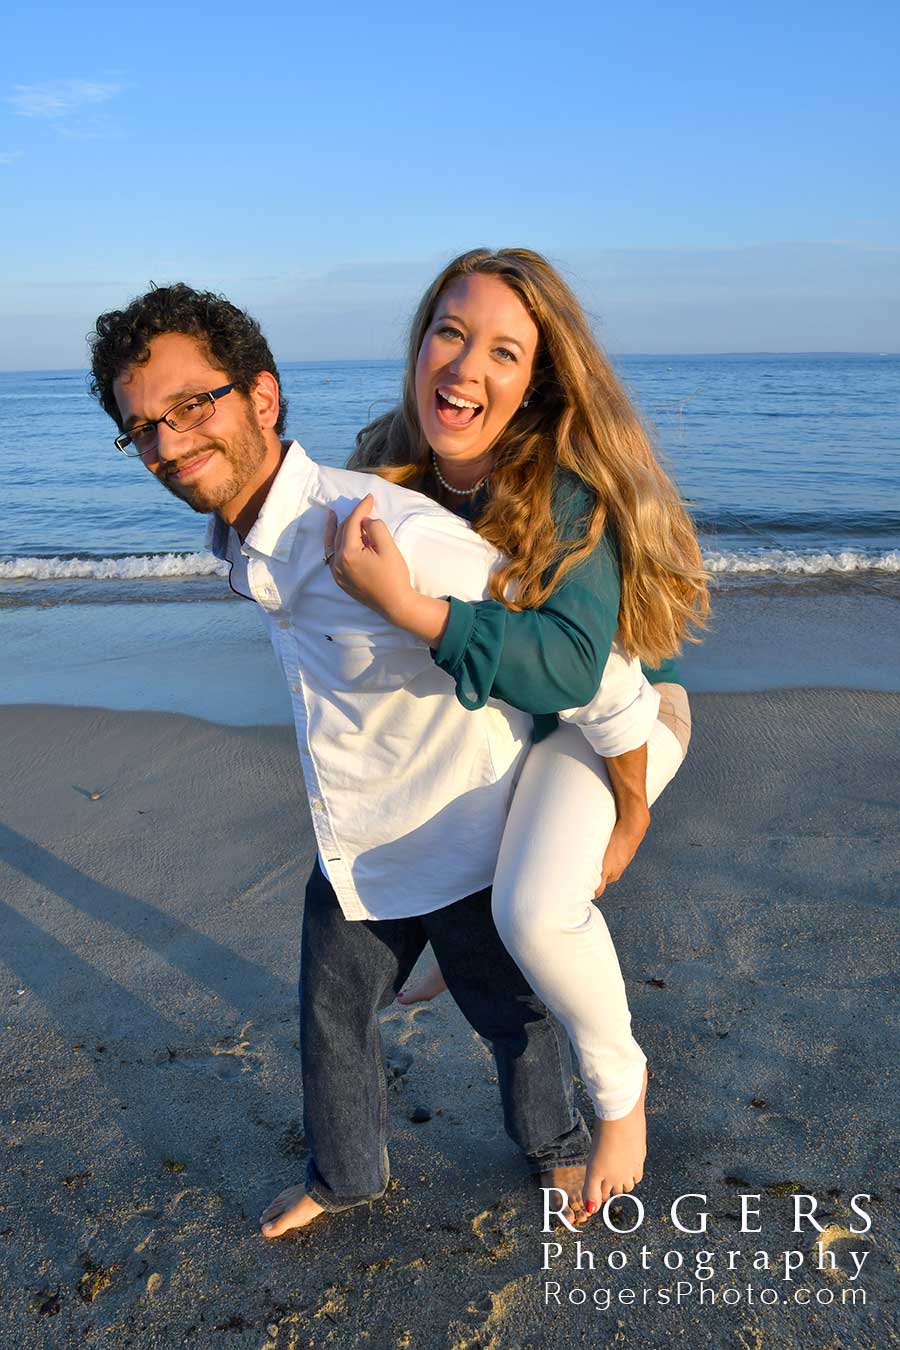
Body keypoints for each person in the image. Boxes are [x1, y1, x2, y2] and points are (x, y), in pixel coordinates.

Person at [87, 283, 664, 1238]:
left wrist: (632, 800)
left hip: (465, 830)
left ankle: (560, 1146)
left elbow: (591, 675)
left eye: (193, 406)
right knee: (329, 1013)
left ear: (262, 399)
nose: (169, 442)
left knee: (510, 1019)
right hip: (354, 835)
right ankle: (346, 1173)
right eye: (143, 426)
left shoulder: (384, 534)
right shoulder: (238, 538)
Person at [323, 247, 708, 1214]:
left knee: (533, 912)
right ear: (419, 345)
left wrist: (630, 810)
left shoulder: (564, 485)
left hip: (620, 719)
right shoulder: (386, 466)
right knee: (438, 887)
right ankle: (457, 942)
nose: (466, 368)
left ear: (536, 379)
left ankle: (622, 1093)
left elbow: (577, 671)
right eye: (450, 334)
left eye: (504, 351)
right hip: (510, 726)